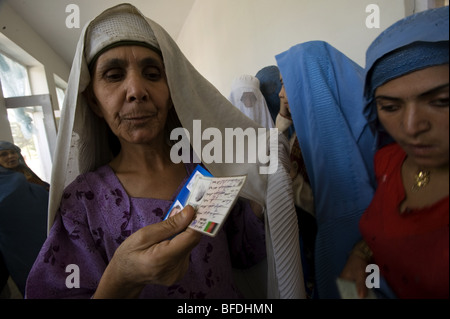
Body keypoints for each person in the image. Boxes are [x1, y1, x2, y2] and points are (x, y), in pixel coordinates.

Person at [26, 3, 305, 299]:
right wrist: (120, 278)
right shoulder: (82, 203)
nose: (136, 90)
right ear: (93, 101)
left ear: (173, 94)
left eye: (152, 73)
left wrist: (262, 189)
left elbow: (243, 251)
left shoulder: (207, 168)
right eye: (114, 75)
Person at [340, 6, 449, 299]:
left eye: (441, 101)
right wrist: (361, 256)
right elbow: (382, 228)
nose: (411, 127)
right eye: (390, 107)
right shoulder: (388, 161)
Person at [275, 41, 377, 299]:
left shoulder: (358, 137)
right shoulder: (303, 132)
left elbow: (340, 206)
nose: (280, 94)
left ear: (311, 84)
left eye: (286, 83)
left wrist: (292, 184)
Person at [0, 141, 49, 296]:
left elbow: (44, 191)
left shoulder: (25, 173)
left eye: (13, 152)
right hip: (18, 244)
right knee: (32, 278)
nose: (11, 156)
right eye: (3, 154)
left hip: (44, 233)